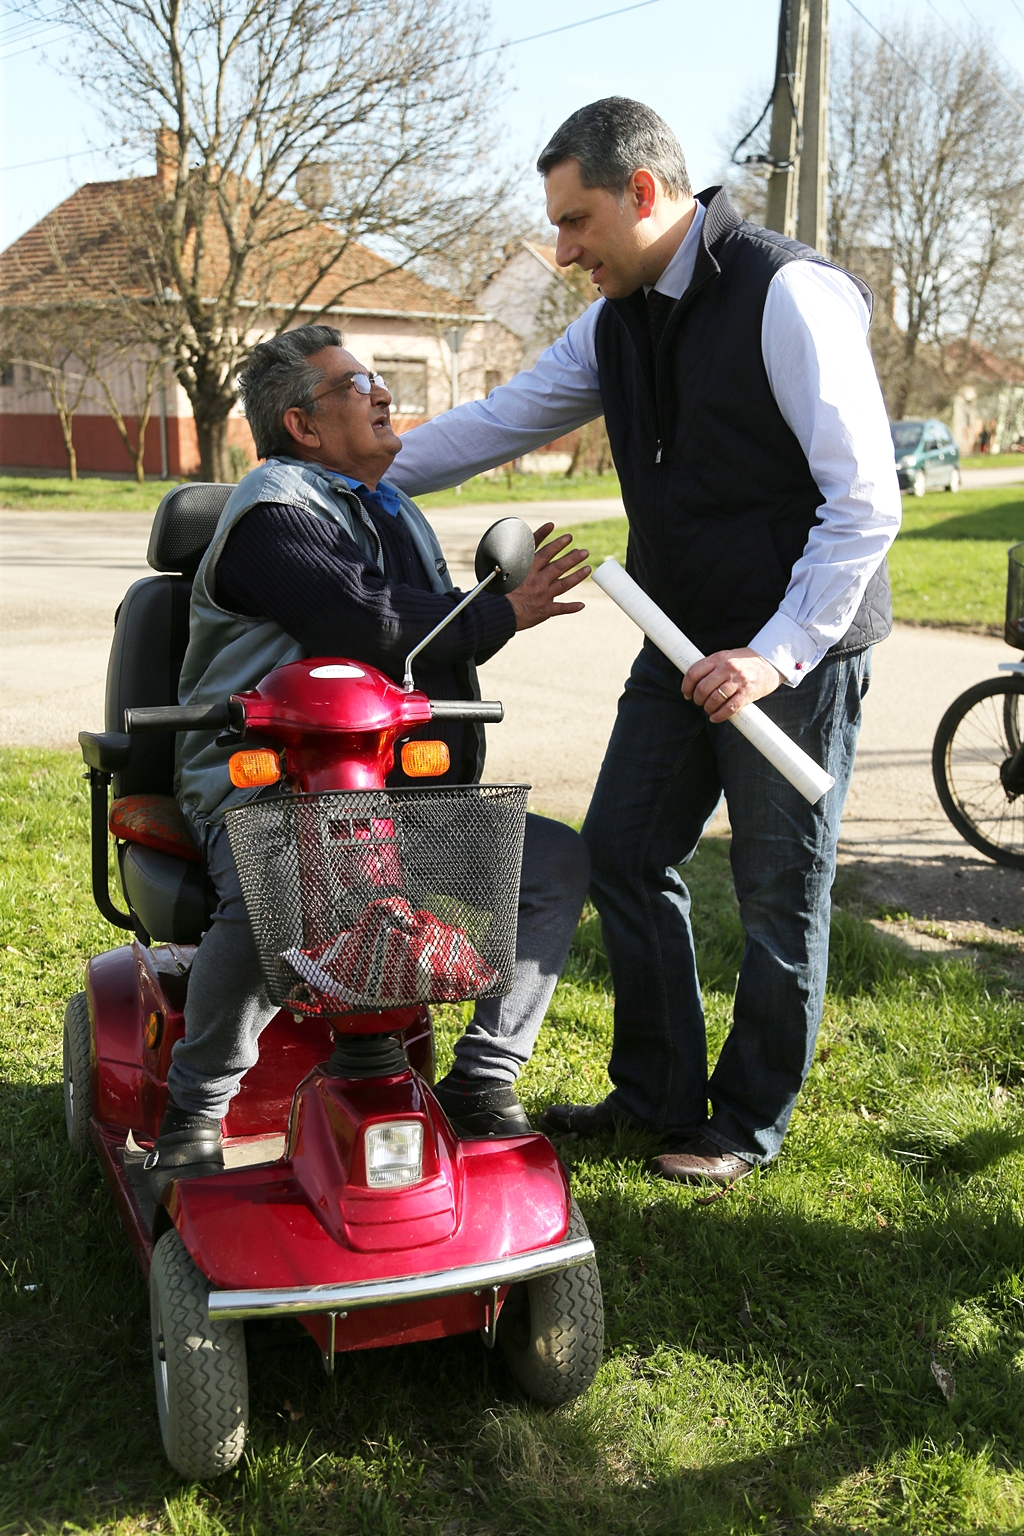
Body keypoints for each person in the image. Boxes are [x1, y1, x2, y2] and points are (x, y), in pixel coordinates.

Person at [388, 98, 902, 1188]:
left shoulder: (785, 292)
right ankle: (657, 1093)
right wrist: (335, 474)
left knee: (777, 895)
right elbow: (500, 419)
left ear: (646, 192)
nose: (564, 250)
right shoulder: (614, 320)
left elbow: (864, 503)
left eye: (577, 223)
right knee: (620, 850)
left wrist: (773, 654)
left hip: (790, 652)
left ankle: (742, 1125)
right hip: (673, 638)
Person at [147, 324, 592, 1192]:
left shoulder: (392, 510)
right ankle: (196, 1109)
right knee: (279, 883)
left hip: (395, 798)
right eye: (358, 384)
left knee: (553, 862)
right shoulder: (275, 513)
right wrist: (500, 614)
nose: (382, 393)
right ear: (304, 426)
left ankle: (483, 1079)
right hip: (274, 793)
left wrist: (486, 612)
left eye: (377, 377)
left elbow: (419, 649)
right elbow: (365, 621)